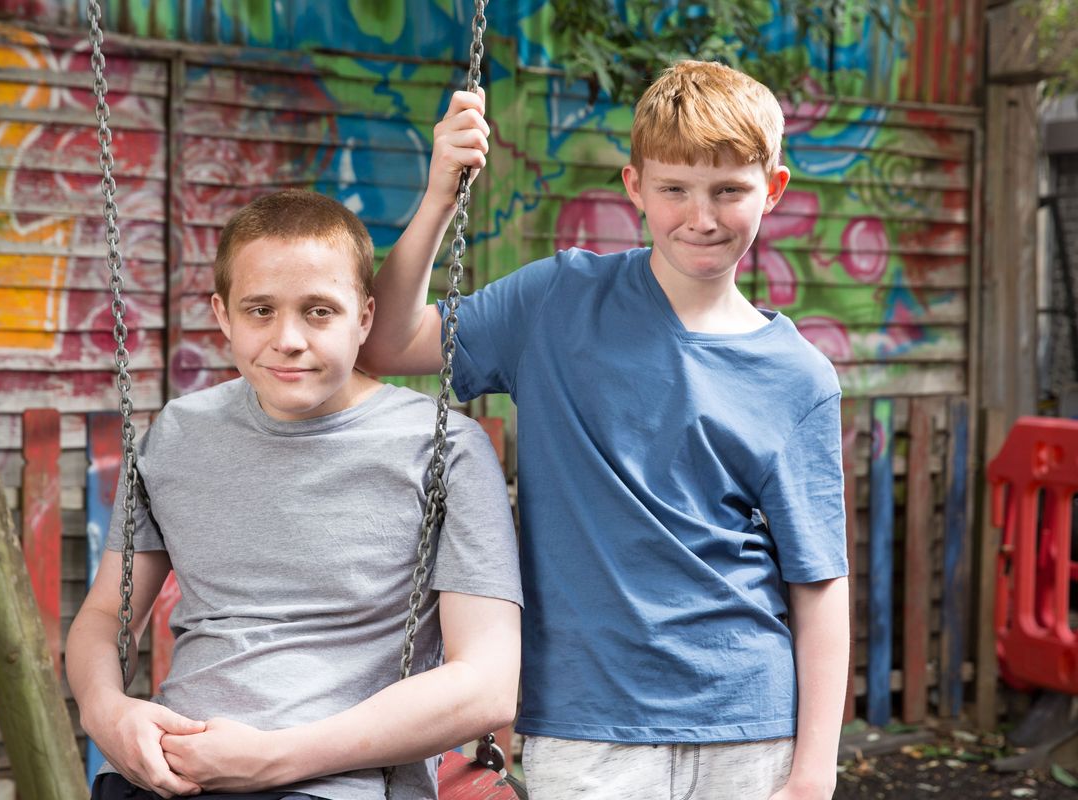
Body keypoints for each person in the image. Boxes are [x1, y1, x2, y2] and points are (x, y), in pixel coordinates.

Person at [358, 60, 850, 800]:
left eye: (728, 191)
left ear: (772, 189)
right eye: (674, 189)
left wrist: (814, 773)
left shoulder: (800, 377)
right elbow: (390, 344)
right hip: (587, 723)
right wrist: (438, 197)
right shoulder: (557, 299)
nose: (702, 216)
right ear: (634, 187)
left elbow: (817, 583)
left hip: (749, 722)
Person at [66, 189, 523, 800]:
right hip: (166, 772)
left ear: (364, 317)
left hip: (336, 784)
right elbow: (105, 614)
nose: (288, 338)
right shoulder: (175, 434)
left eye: (319, 311)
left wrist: (273, 759)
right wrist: (108, 714)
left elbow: (487, 683)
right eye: (259, 310)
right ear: (222, 314)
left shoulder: (445, 449)